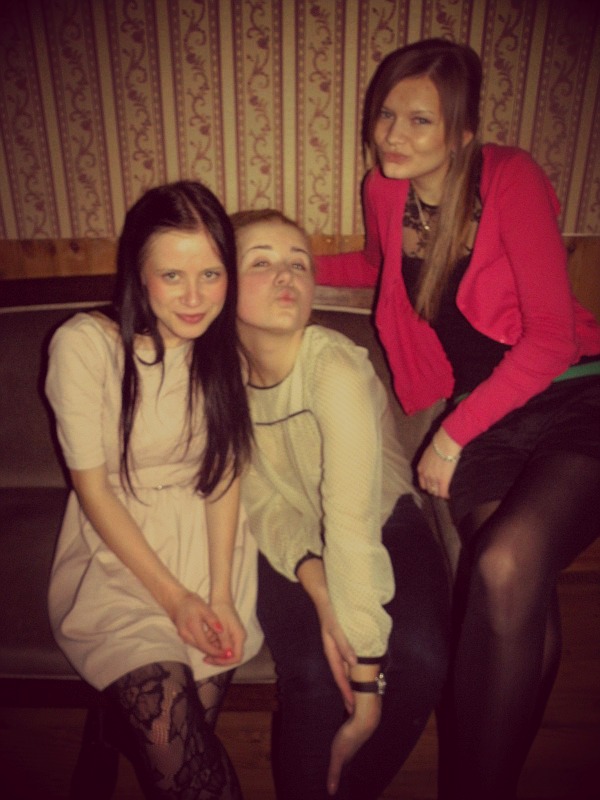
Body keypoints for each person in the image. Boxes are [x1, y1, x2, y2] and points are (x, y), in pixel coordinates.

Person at [315, 38, 600, 799]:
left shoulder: (510, 178)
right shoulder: (386, 192)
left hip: (574, 396)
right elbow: (380, 267)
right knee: (518, 598)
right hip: (487, 421)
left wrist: (449, 435)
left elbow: (552, 339)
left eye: (420, 120)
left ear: (463, 131)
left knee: (505, 564)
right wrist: (286, 266)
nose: (394, 135)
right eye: (386, 115)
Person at [46, 180, 263, 800]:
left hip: (209, 549)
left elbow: (224, 474)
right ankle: (115, 720)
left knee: (184, 740)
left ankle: (111, 726)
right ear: (138, 275)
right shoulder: (84, 345)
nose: (195, 298)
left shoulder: (225, 351)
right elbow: (93, 491)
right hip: (120, 551)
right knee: (179, 759)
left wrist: (219, 595)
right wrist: (176, 600)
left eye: (211, 274)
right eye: (172, 276)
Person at [232, 208, 450, 799]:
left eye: (299, 263)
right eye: (261, 262)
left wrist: (367, 688)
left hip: (381, 518)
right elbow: (256, 500)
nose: (287, 275)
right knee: (311, 674)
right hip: (287, 536)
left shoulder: (334, 367)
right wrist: (320, 588)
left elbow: (351, 525)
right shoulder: (215, 379)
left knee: (422, 657)